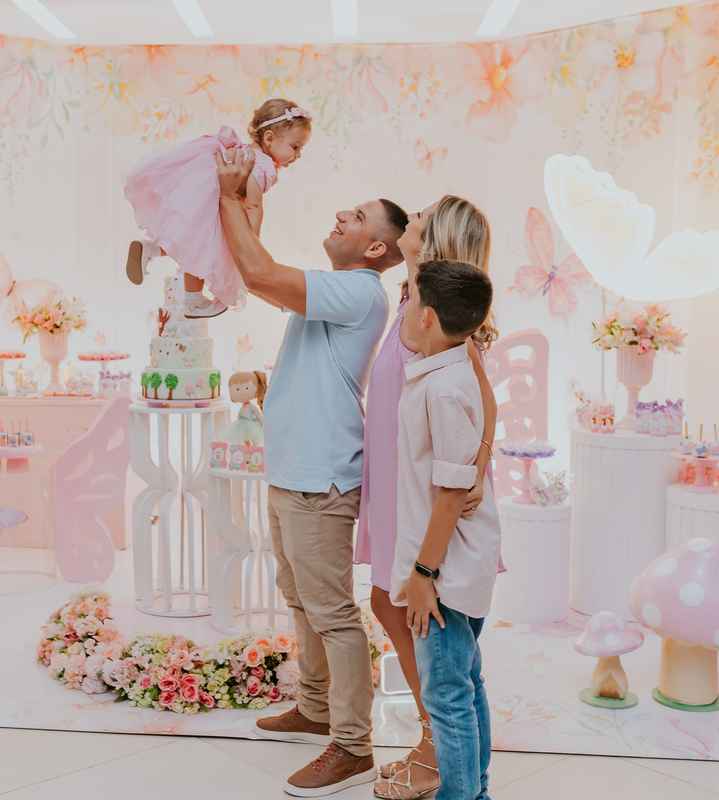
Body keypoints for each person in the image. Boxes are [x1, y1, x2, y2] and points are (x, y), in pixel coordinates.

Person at [215, 145, 407, 797]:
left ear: (376, 250)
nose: (341, 215)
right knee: (301, 598)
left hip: (321, 477)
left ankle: (352, 745)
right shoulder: (338, 292)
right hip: (293, 469)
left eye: (356, 217)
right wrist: (248, 205)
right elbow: (260, 268)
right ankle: (318, 706)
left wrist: (225, 198)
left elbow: (259, 272)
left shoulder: (357, 290)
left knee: (331, 612)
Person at [358, 196, 499, 799]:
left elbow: (482, 404)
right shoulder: (412, 303)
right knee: (388, 600)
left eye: (418, 217)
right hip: (401, 479)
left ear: (432, 237)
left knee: (414, 611)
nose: (407, 219)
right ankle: (440, 744)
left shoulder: (436, 323)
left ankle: (438, 749)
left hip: (426, 489)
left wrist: (476, 466)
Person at [392, 259, 502, 800]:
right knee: (465, 681)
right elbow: (491, 407)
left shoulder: (442, 388)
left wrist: (422, 574)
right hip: (457, 559)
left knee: (446, 694)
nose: (405, 314)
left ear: (429, 316)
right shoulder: (460, 367)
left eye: (409, 303)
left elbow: (451, 494)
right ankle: (474, 790)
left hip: (444, 568)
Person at [120, 98, 312, 318]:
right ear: (269, 138)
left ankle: (151, 250)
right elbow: (254, 204)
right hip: (215, 201)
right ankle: (192, 301)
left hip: (200, 191)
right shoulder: (262, 164)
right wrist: (252, 241)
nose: (297, 155)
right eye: (295, 147)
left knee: (193, 245)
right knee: (201, 249)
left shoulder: (241, 151)